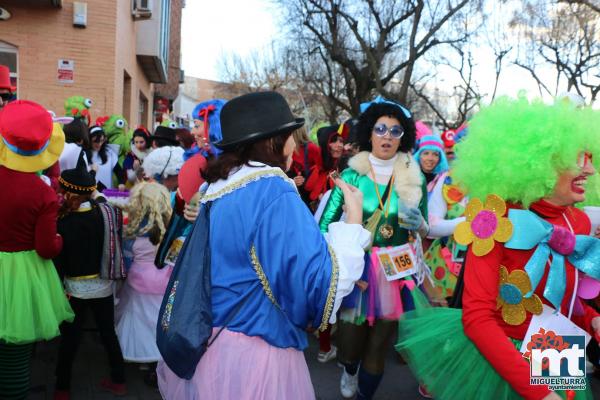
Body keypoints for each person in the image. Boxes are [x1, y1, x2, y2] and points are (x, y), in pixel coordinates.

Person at [156, 91, 370, 400]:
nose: (296, 145)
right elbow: (318, 288)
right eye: (291, 136)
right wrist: (352, 221)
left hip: (212, 349)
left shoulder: (219, 187)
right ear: (274, 141)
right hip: (256, 356)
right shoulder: (272, 188)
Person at [397, 97, 600, 400]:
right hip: (504, 356)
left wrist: (590, 318)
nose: (591, 169)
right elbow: (477, 317)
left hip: (556, 346)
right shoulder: (495, 219)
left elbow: (559, 299)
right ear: (541, 162)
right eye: (577, 158)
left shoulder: (580, 223)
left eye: (590, 157)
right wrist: (540, 393)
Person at [319, 96, 429, 400]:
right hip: (359, 267)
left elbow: (425, 228)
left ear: (403, 138)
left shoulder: (413, 176)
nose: (387, 137)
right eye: (381, 129)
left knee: (378, 347)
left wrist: (420, 224)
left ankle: (366, 395)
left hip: (396, 269)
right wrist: (341, 264)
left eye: (395, 131)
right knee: (351, 346)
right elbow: (325, 224)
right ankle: (348, 369)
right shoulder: (353, 174)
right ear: (369, 133)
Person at [0, 100, 74, 399]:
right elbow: (45, 248)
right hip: (22, 277)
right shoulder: (43, 193)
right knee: (15, 357)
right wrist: (60, 241)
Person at [53, 157, 126, 399]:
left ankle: (62, 388)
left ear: (69, 193)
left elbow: (59, 261)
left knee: (70, 340)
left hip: (74, 288)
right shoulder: (104, 214)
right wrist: (93, 190)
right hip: (103, 285)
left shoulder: (63, 221)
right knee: (107, 332)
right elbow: (103, 200)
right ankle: (119, 380)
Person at [115, 182, 172, 387]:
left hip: (138, 280)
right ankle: (159, 359)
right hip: (164, 280)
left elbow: (127, 259)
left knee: (136, 318)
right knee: (160, 319)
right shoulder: (172, 227)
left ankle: (143, 359)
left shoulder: (133, 230)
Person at [305, 125, 345, 210]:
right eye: (334, 141)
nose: (339, 145)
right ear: (325, 144)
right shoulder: (314, 172)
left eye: (341, 141)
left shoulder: (343, 167)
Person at [287, 126, 320, 206]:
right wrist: (293, 180)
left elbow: (323, 171)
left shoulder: (311, 148)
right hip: (298, 195)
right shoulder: (289, 148)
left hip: (311, 197)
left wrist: (308, 180)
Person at [88, 124, 125, 191]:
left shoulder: (109, 153)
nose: (99, 144)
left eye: (101, 141)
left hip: (107, 194)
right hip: (89, 194)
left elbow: (119, 171)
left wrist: (121, 183)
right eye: (95, 141)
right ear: (89, 140)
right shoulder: (84, 154)